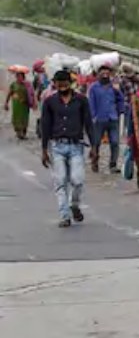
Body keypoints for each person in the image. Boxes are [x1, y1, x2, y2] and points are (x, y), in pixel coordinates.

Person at [41, 71, 95, 228]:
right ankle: (64, 216)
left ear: (70, 82)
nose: (62, 85)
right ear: (55, 84)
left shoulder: (81, 100)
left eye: (65, 81)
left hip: (76, 146)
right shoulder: (50, 102)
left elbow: (88, 124)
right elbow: (45, 125)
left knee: (77, 181)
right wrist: (44, 149)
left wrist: (94, 146)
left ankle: (74, 204)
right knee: (60, 181)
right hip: (57, 146)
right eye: (59, 82)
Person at [88, 64, 125, 174]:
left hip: (113, 118)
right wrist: (93, 116)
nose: (105, 75)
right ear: (98, 74)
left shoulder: (113, 87)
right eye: (103, 73)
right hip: (99, 119)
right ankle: (95, 161)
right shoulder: (94, 87)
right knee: (96, 142)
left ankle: (113, 164)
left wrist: (120, 110)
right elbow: (91, 103)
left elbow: (121, 100)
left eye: (107, 73)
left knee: (114, 142)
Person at [4, 65, 36, 139]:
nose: (18, 77)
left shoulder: (28, 85)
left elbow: (32, 94)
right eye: (17, 76)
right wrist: (6, 103)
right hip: (16, 105)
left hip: (25, 105)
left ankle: (24, 133)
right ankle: (18, 132)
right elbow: (9, 93)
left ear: (23, 76)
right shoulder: (13, 84)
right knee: (16, 118)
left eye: (20, 76)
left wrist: (34, 103)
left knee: (25, 118)